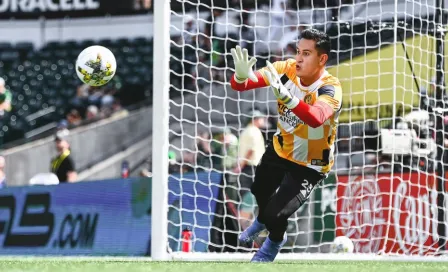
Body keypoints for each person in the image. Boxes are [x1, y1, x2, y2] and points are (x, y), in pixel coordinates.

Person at [229, 28, 343, 262]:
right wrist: (240, 76)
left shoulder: (330, 87)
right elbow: (241, 85)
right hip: (281, 151)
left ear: (322, 59)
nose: (299, 58)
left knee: (277, 212)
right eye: (298, 51)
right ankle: (261, 222)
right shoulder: (284, 69)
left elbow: (316, 118)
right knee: (259, 191)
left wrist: (288, 99)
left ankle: (273, 243)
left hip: (310, 163)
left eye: (307, 53)